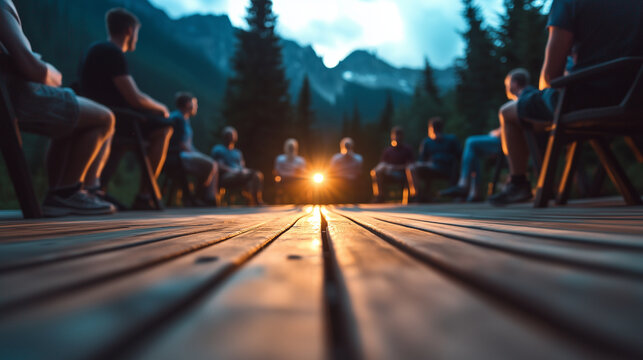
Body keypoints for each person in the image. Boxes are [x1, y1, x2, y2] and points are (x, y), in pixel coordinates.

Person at [489, 0, 643, 206]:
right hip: (633, 97)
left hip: (583, 99)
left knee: (508, 111)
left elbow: (550, 77)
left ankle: (518, 184)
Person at [0, 0, 116, 216]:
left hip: (12, 94)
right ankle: (67, 194)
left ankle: (60, 194)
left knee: (72, 117)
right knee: (105, 118)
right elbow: (30, 67)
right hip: (20, 95)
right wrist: (53, 75)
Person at [79, 8, 173, 210]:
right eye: (136, 34)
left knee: (128, 135)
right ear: (129, 31)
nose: (136, 39)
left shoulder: (94, 49)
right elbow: (135, 98)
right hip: (115, 118)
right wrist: (162, 108)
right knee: (164, 128)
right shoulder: (113, 52)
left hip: (101, 114)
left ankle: (99, 187)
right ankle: (144, 195)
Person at [441, 69, 532, 201]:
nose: (506, 88)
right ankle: (473, 191)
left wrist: (495, 133)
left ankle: (465, 184)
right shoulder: (526, 98)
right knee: (474, 148)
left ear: (515, 83)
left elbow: (517, 124)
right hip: (517, 142)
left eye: (507, 84)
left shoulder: (525, 97)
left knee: (472, 143)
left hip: (517, 143)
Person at [167, 92, 218, 205]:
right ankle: (198, 198)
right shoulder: (177, 118)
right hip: (179, 155)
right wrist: (195, 153)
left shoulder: (184, 119)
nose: (196, 106)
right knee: (209, 165)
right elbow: (179, 143)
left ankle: (196, 197)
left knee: (209, 165)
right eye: (194, 103)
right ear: (187, 104)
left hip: (185, 154)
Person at [406, 117, 460, 202]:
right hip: (431, 168)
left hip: (447, 168)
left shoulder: (451, 140)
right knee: (411, 167)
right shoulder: (427, 142)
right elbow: (422, 159)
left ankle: (417, 196)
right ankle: (419, 196)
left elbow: (458, 156)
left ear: (431, 129)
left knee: (412, 167)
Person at [211, 127, 264, 205]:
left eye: (231, 135)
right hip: (225, 176)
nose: (229, 137)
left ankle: (255, 201)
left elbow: (242, 166)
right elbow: (219, 165)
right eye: (227, 135)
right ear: (223, 136)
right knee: (249, 174)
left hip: (239, 173)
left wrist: (244, 171)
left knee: (257, 174)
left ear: (235, 137)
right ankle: (255, 201)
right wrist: (233, 171)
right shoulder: (218, 149)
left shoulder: (237, 152)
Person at [371, 126, 414, 203]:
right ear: (392, 136)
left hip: (403, 174)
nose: (397, 137)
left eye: (399, 135)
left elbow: (411, 166)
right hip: (389, 174)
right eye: (395, 135)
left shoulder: (407, 149)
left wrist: (395, 168)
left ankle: (411, 197)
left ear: (402, 136)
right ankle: (379, 196)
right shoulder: (387, 150)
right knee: (376, 172)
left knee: (410, 172)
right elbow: (382, 163)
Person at [329, 137, 363, 203]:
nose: (347, 147)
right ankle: (335, 201)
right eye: (346, 146)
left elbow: (359, 171)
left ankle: (355, 201)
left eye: (348, 146)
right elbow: (331, 170)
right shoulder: (336, 158)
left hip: (353, 180)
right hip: (339, 180)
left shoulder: (358, 158)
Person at [274, 138, 307, 204]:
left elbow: (304, 173)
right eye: (289, 147)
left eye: (292, 147)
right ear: (285, 147)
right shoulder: (280, 159)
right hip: (283, 180)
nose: (291, 149)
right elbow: (276, 171)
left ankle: (303, 201)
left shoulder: (300, 160)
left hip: (296, 181)